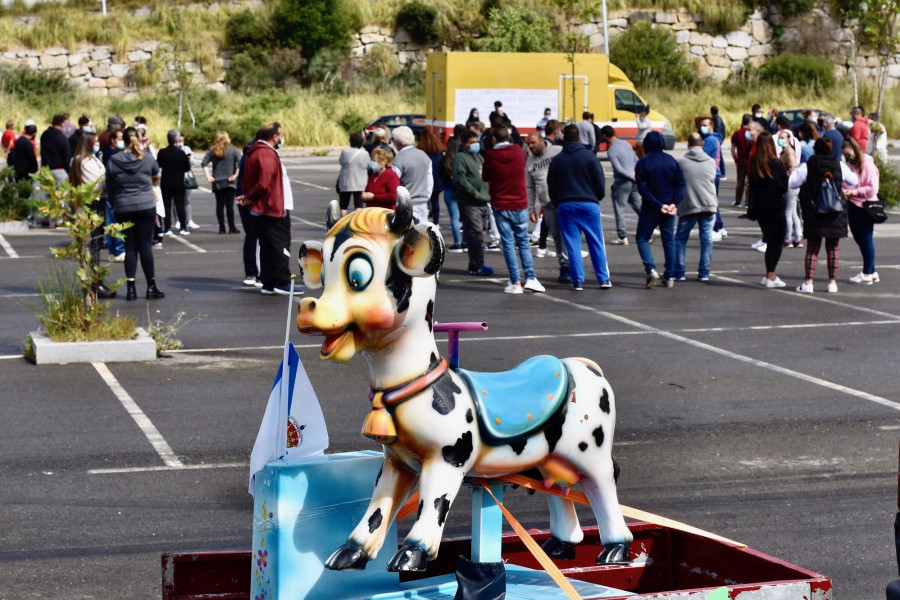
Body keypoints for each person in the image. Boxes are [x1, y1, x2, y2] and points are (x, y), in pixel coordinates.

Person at [789, 138, 859, 294]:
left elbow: (792, 182)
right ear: (831, 149)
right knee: (833, 248)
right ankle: (832, 283)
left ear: (815, 150)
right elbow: (854, 180)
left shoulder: (808, 166)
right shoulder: (839, 165)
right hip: (835, 212)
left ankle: (808, 282)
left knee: (812, 248)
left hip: (814, 211)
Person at [546, 123, 611, 291]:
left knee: (572, 244)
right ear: (579, 137)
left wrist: (557, 201)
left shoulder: (558, 160)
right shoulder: (589, 157)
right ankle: (603, 278)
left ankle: (578, 281)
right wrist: (597, 197)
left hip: (566, 205)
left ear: (563, 138)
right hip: (589, 203)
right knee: (595, 241)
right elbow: (599, 182)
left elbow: (551, 185)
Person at [482, 125, 544, 294]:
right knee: (523, 241)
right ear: (508, 137)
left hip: (500, 204)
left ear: (494, 139)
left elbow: (485, 176)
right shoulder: (518, 151)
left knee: (508, 243)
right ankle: (531, 277)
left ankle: (515, 282)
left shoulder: (491, 155)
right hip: (519, 202)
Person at [106, 127, 164, 301]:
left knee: (130, 246)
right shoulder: (146, 158)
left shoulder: (114, 160)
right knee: (145, 246)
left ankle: (131, 288)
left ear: (122, 140)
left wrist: (115, 202)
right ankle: (151, 285)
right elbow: (156, 172)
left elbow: (110, 185)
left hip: (124, 206)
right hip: (145, 204)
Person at [237, 123, 294, 296]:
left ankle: (268, 282)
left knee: (268, 246)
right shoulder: (266, 153)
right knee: (280, 244)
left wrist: (248, 197)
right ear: (274, 137)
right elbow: (263, 182)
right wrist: (249, 197)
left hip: (265, 206)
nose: (281, 138)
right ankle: (281, 281)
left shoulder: (255, 151)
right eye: (280, 135)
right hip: (274, 207)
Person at [634, 131, 684, 288]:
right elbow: (680, 184)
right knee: (669, 240)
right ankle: (669, 276)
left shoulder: (643, 163)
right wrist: (674, 203)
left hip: (651, 207)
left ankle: (650, 269)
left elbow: (643, 189)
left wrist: (658, 204)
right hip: (669, 208)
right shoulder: (671, 161)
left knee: (642, 237)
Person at [69, 132, 115, 299]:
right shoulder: (83, 162)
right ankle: (94, 283)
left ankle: (97, 280)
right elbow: (95, 184)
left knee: (96, 244)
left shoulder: (93, 158)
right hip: (92, 203)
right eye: (95, 142)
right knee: (93, 245)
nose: (98, 144)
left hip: (99, 202)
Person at [525, 131, 568, 283]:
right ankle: (564, 267)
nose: (530, 146)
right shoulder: (530, 162)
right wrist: (531, 208)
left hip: (564, 202)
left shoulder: (557, 151)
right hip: (547, 205)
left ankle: (570, 266)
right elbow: (529, 187)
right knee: (557, 237)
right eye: (528, 143)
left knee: (567, 236)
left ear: (541, 140)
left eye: (533, 143)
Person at [674, 133, 718, 282]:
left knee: (680, 239)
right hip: (709, 204)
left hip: (689, 205)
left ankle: (679, 271)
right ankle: (704, 272)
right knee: (706, 240)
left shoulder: (681, 162)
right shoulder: (711, 161)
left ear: (688, 144)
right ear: (702, 144)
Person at [748, 132, 789, 288]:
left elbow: (751, 186)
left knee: (770, 239)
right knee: (777, 241)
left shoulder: (755, 162)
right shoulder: (775, 162)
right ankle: (771, 274)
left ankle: (769, 274)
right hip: (775, 207)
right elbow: (783, 186)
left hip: (760, 207)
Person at [452, 130, 493, 277]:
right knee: (475, 233)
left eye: (476, 141)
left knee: (480, 233)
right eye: (472, 142)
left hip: (483, 200)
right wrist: (474, 192)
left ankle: (476, 263)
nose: (475, 144)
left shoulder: (478, 156)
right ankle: (477, 265)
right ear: (464, 144)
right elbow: (460, 180)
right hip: (470, 201)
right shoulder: (460, 158)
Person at [841, 137, 880, 285]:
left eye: (848, 153)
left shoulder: (867, 165)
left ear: (855, 149)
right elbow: (847, 182)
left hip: (865, 205)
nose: (847, 157)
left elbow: (873, 188)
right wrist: (846, 190)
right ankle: (872, 271)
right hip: (853, 204)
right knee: (861, 239)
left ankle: (866, 273)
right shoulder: (851, 165)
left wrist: (855, 192)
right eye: (845, 154)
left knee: (865, 239)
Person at [601, 125, 641, 246]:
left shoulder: (612, 151)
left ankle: (622, 236)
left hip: (622, 182)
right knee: (638, 205)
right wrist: (635, 174)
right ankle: (651, 227)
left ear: (604, 136)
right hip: (634, 181)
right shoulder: (626, 144)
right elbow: (636, 159)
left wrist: (630, 175)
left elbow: (618, 169)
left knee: (620, 209)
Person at [202, 131, 242, 234]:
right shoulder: (233, 150)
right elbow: (240, 163)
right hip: (230, 181)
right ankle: (232, 227)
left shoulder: (213, 150)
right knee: (229, 205)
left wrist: (208, 176)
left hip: (217, 181)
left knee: (219, 205)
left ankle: (221, 227)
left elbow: (204, 163)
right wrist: (235, 175)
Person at [391, 126, 433, 224]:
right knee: (421, 236)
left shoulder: (399, 158)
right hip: (422, 203)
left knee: (405, 236)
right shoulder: (424, 155)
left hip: (405, 204)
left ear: (398, 142)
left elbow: (394, 183)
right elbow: (430, 181)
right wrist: (426, 197)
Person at [156, 129, 192, 235]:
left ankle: (167, 227)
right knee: (180, 205)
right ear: (176, 139)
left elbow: (159, 164)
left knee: (167, 205)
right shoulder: (181, 153)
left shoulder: (162, 152)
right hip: (179, 182)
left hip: (166, 181)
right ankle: (183, 226)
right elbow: (187, 167)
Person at [102, 128, 127, 260]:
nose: (122, 141)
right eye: (120, 138)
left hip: (112, 191)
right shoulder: (111, 155)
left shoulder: (112, 153)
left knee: (111, 222)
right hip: (114, 192)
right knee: (115, 222)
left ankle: (113, 250)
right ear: (113, 140)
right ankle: (118, 250)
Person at [440, 128, 465, 252]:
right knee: (465, 216)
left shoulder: (445, 161)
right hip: (462, 190)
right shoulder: (462, 159)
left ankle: (457, 242)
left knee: (454, 217)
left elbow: (440, 175)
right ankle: (465, 241)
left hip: (449, 189)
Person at [777, 130, 802, 248]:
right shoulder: (785, 151)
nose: (780, 139)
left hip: (789, 185)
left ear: (788, 139)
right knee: (792, 213)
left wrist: (784, 177)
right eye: (779, 137)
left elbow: (792, 167)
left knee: (787, 213)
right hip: (792, 185)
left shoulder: (789, 152)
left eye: (783, 137)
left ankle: (788, 239)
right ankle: (798, 237)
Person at [417, 129, 445, 225]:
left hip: (424, 180)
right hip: (437, 179)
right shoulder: (438, 152)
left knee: (424, 202)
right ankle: (436, 222)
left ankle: (425, 221)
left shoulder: (421, 153)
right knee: (435, 201)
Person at [337, 132, 368, 214]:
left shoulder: (344, 152)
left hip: (345, 181)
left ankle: (342, 222)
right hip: (360, 182)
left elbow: (341, 162)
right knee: (359, 205)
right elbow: (367, 165)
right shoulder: (365, 154)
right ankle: (358, 223)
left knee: (343, 205)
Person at [177, 133, 200, 230]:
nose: (180, 142)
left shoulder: (187, 149)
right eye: (179, 140)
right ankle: (178, 220)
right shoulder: (174, 149)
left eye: (182, 140)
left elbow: (193, 162)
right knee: (177, 201)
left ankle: (189, 219)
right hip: (177, 177)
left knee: (187, 200)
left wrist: (189, 159)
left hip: (186, 177)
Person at [41, 114, 72, 185]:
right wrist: (68, 170)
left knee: (48, 194)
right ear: (62, 125)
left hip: (46, 170)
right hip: (60, 170)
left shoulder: (44, 135)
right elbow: (67, 156)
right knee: (62, 195)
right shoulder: (62, 138)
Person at [731, 114, 753, 207]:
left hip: (740, 160)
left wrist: (735, 158)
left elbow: (733, 148)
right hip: (750, 160)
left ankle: (738, 200)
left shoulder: (736, 133)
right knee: (749, 182)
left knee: (740, 181)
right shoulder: (751, 133)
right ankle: (748, 201)